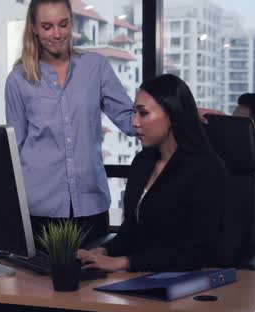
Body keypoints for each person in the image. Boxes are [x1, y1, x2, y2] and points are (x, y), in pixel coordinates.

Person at [5, 0, 135, 244]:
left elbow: (128, 120)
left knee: (93, 280)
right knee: (37, 283)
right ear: (33, 28)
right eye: (47, 26)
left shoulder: (96, 67)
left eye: (63, 24)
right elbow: (16, 149)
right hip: (39, 209)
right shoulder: (18, 79)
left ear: (72, 23)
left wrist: (176, 113)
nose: (57, 34)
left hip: (90, 206)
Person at [78, 74, 227, 272]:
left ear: (173, 116)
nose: (134, 122)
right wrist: (103, 251)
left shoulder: (205, 169)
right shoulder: (142, 162)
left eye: (143, 113)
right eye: (134, 113)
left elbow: (195, 254)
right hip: (140, 277)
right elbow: (131, 231)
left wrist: (125, 262)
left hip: (185, 285)